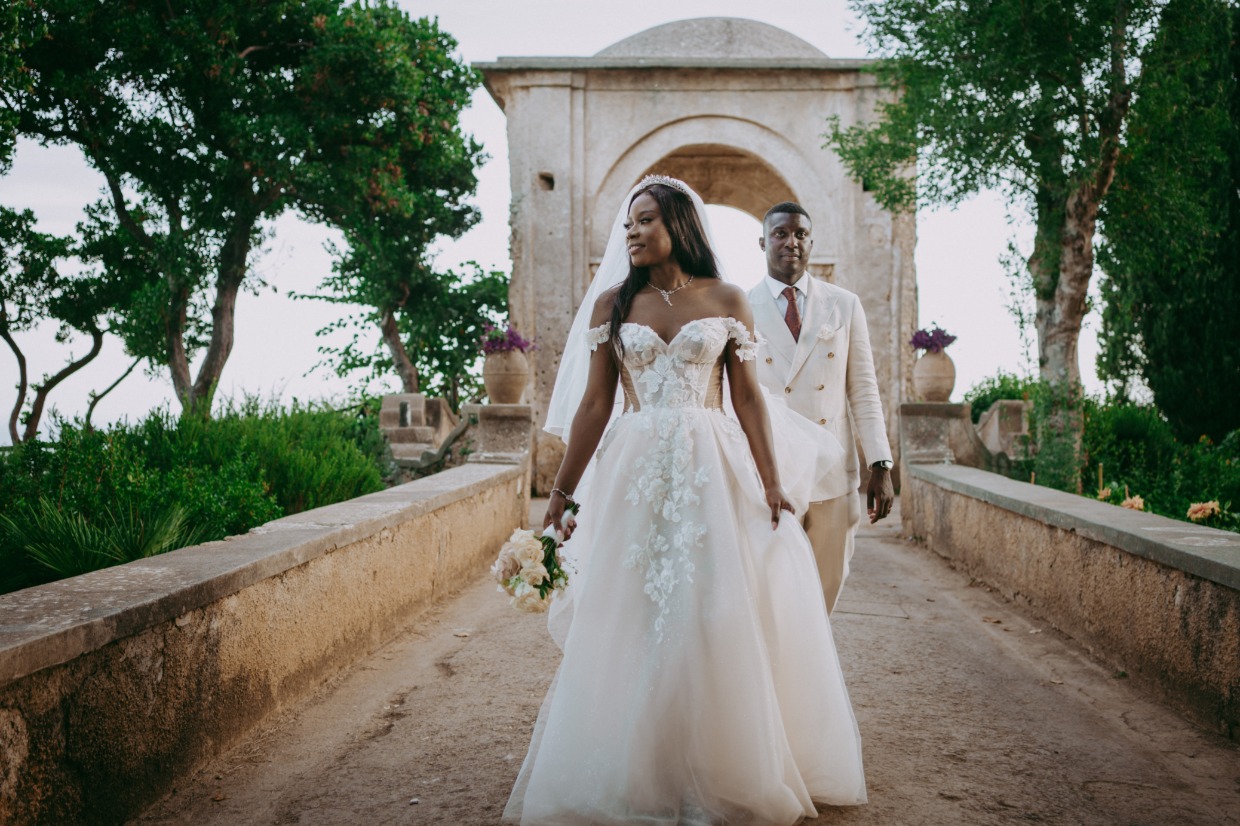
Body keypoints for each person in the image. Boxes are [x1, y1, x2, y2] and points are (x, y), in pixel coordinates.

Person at [503, 176, 866, 825]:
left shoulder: (726, 299)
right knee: (633, 610)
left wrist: (772, 479)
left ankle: (718, 767)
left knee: (713, 607)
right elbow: (593, 404)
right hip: (634, 469)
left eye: (643, 221)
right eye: (627, 225)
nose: (632, 233)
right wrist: (560, 493)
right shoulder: (614, 305)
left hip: (712, 467)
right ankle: (634, 768)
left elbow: (750, 398)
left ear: (678, 224)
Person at [748, 201, 894, 615]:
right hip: (770, 477)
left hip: (833, 474)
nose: (790, 242)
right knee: (771, 597)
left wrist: (880, 465)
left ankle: (809, 679)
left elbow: (863, 389)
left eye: (800, 235)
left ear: (811, 243)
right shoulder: (740, 306)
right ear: (763, 242)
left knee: (824, 594)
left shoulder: (844, 304)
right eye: (780, 234)